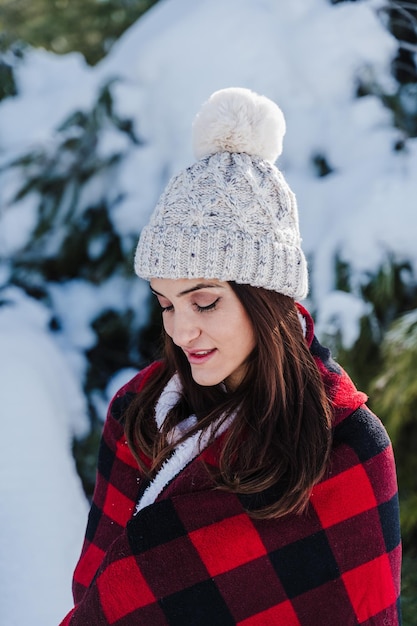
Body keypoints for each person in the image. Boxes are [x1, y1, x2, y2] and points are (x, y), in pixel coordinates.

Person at [60, 88, 401, 625]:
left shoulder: (348, 446)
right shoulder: (139, 413)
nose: (180, 329)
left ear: (266, 297)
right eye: (165, 304)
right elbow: (99, 596)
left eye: (204, 300)